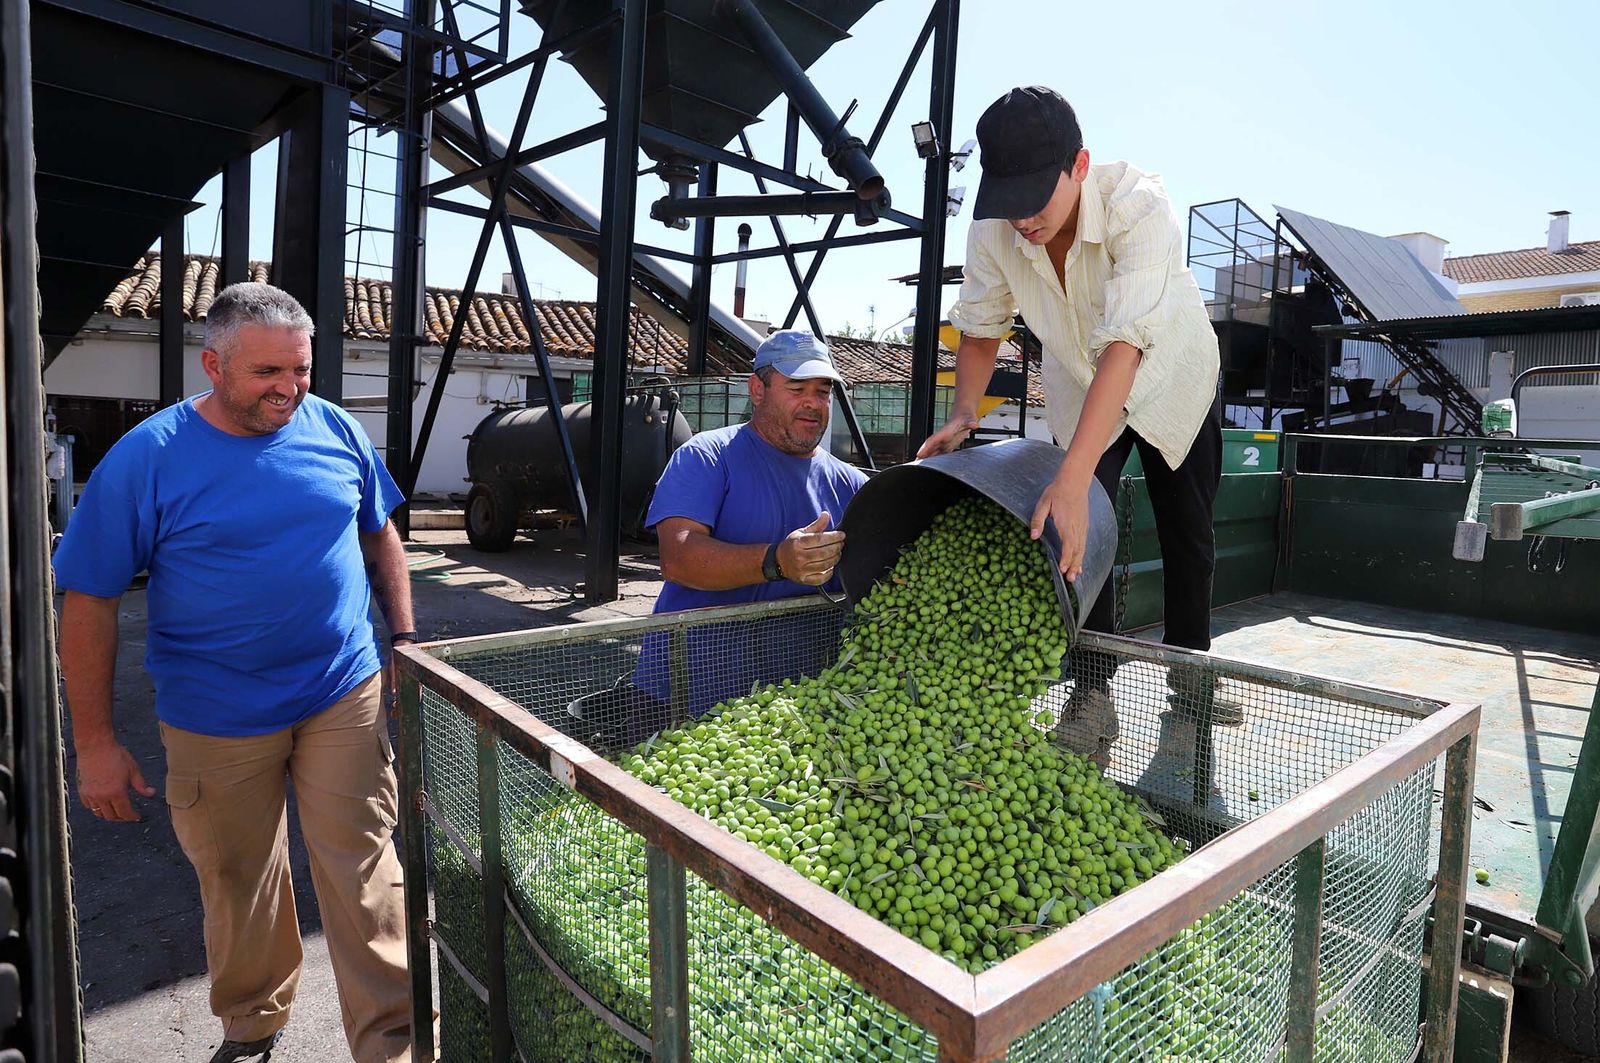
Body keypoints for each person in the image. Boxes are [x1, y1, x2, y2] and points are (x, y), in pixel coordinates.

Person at [53, 283, 420, 1063]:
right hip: (214, 711)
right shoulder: (147, 458)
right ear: (213, 365)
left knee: (365, 865)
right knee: (240, 875)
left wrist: (406, 640)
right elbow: (88, 599)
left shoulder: (336, 428)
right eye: (267, 374)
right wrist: (93, 741)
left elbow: (380, 534)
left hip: (340, 688)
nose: (288, 388)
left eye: (301, 369)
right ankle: (253, 1020)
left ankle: (394, 1039)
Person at [918, 86, 1227, 766]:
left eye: (1037, 195)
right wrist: (966, 412)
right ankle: (1092, 695)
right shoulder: (996, 228)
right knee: (1073, 536)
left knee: (1188, 534)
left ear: (1078, 165)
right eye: (1008, 197)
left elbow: (1127, 346)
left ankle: (1192, 688)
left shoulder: (1139, 206)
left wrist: (1076, 474)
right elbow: (979, 325)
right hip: (1081, 385)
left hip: (1171, 373)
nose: (1023, 217)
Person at [590, 331, 867, 737]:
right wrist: (778, 561)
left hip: (795, 699)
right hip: (686, 690)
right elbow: (679, 559)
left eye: (823, 391)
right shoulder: (706, 456)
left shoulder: (851, 484)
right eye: (797, 388)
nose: (814, 402)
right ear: (758, 389)